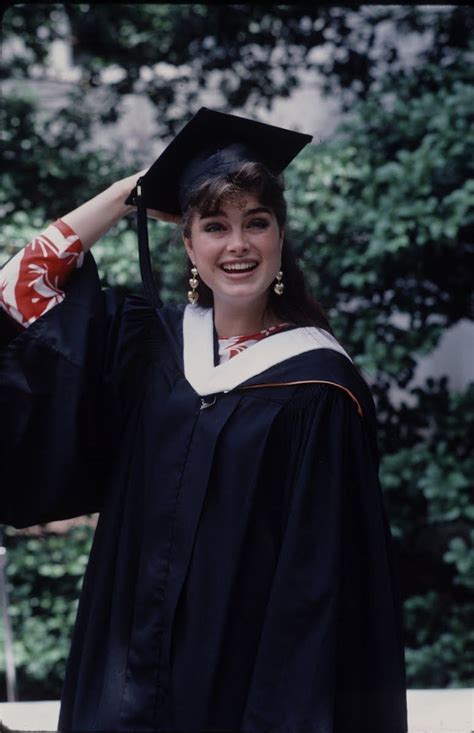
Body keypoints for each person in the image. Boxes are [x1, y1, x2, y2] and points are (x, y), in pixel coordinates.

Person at [0, 108, 407, 732]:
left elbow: (324, 586)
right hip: (123, 683)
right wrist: (126, 194)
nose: (237, 244)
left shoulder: (320, 387)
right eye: (214, 226)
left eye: (257, 223)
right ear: (188, 243)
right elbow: (18, 295)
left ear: (279, 236)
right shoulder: (150, 346)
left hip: (245, 689)